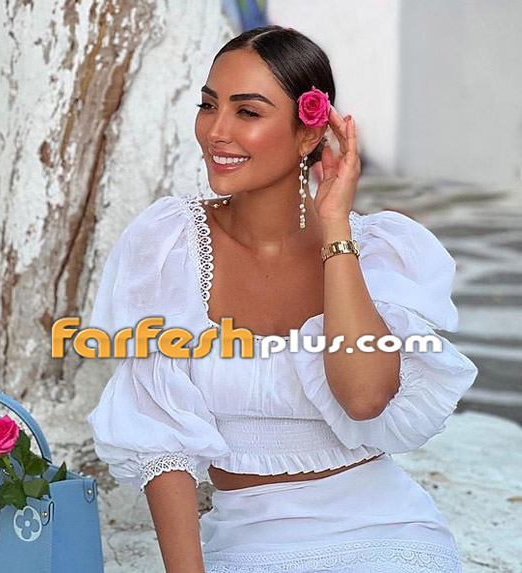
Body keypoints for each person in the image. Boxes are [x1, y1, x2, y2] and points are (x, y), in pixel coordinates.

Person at [87, 25, 478, 573]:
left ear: (308, 133)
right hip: (249, 539)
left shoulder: (374, 250)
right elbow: (159, 439)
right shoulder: (167, 244)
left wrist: (336, 224)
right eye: (208, 105)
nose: (216, 131)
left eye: (247, 112)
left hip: (389, 532)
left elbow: (365, 397)